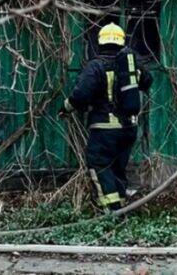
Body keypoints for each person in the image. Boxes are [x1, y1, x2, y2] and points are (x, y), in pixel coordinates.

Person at [60, 23, 153, 212]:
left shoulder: (96, 66)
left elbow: (80, 95)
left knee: (100, 165)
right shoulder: (130, 64)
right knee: (118, 167)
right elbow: (148, 81)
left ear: (100, 42)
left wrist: (65, 107)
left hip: (104, 128)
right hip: (129, 129)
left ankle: (111, 211)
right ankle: (120, 207)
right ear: (121, 41)